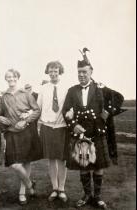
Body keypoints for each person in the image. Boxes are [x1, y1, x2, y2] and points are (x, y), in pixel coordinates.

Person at [62, 49, 113, 209]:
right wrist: (73, 124)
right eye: (79, 72)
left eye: (84, 72)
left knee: (98, 167)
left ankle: (97, 197)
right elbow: (65, 111)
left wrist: (105, 116)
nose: (81, 75)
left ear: (91, 71)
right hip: (81, 133)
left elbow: (115, 102)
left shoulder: (100, 89)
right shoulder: (72, 90)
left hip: (97, 133)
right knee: (83, 166)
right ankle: (86, 195)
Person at [0, 69, 42, 205]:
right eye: (8, 77)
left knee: (26, 162)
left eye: (13, 76)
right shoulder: (3, 96)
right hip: (11, 132)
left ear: (17, 77)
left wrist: (27, 119)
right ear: (6, 79)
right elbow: (0, 113)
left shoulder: (26, 94)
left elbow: (37, 110)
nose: (11, 79)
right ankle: (30, 184)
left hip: (26, 132)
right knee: (15, 165)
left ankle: (22, 193)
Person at [37, 61, 69, 202]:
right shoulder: (43, 88)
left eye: (56, 70)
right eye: (51, 70)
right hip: (47, 127)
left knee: (62, 159)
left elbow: (71, 106)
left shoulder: (67, 87)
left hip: (62, 127)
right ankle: (54, 188)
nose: (53, 73)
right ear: (47, 72)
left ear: (60, 71)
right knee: (51, 159)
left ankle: (62, 189)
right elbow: (38, 108)